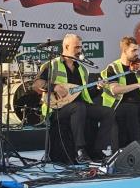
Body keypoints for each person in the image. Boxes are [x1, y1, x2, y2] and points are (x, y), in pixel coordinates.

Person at [34, 33, 115, 163]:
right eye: (76, 47)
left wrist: (98, 88)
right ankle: (80, 151)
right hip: (57, 108)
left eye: (80, 47)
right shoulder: (52, 65)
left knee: (108, 112)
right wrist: (54, 87)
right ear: (66, 47)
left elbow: (84, 93)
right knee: (79, 107)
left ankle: (98, 150)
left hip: (79, 105)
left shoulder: (82, 69)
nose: (80, 50)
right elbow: (36, 84)